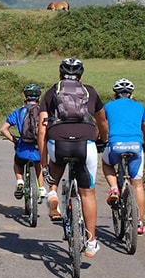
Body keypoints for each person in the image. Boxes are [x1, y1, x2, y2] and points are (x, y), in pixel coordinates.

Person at [38, 57, 109, 257]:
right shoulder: (90, 92)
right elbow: (102, 121)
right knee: (88, 193)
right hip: (85, 145)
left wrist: (44, 161)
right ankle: (91, 241)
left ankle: (52, 195)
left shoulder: (52, 92)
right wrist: (103, 140)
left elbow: (41, 129)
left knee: (55, 167)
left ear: (60, 75)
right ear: (81, 76)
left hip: (57, 143)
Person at [101, 78, 145, 235]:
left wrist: (102, 140)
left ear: (115, 94)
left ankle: (114, 188)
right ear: (131, 94)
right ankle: (139, 223)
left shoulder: (108, 106)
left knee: (106, 162)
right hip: (136, 146)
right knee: (137, 184)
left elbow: (102, 125)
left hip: (115, 145)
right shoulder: (140, 107)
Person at [0, 84, 47, 201]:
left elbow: (3, 129)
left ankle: (20, 180)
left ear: (25, 97)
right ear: (39, 98)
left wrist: (14, 140)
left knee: (18, 163)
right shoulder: (43, 112)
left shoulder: (18, 112)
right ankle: (41, 189)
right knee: (39, 165)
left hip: (23, 148)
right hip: (38, 148)